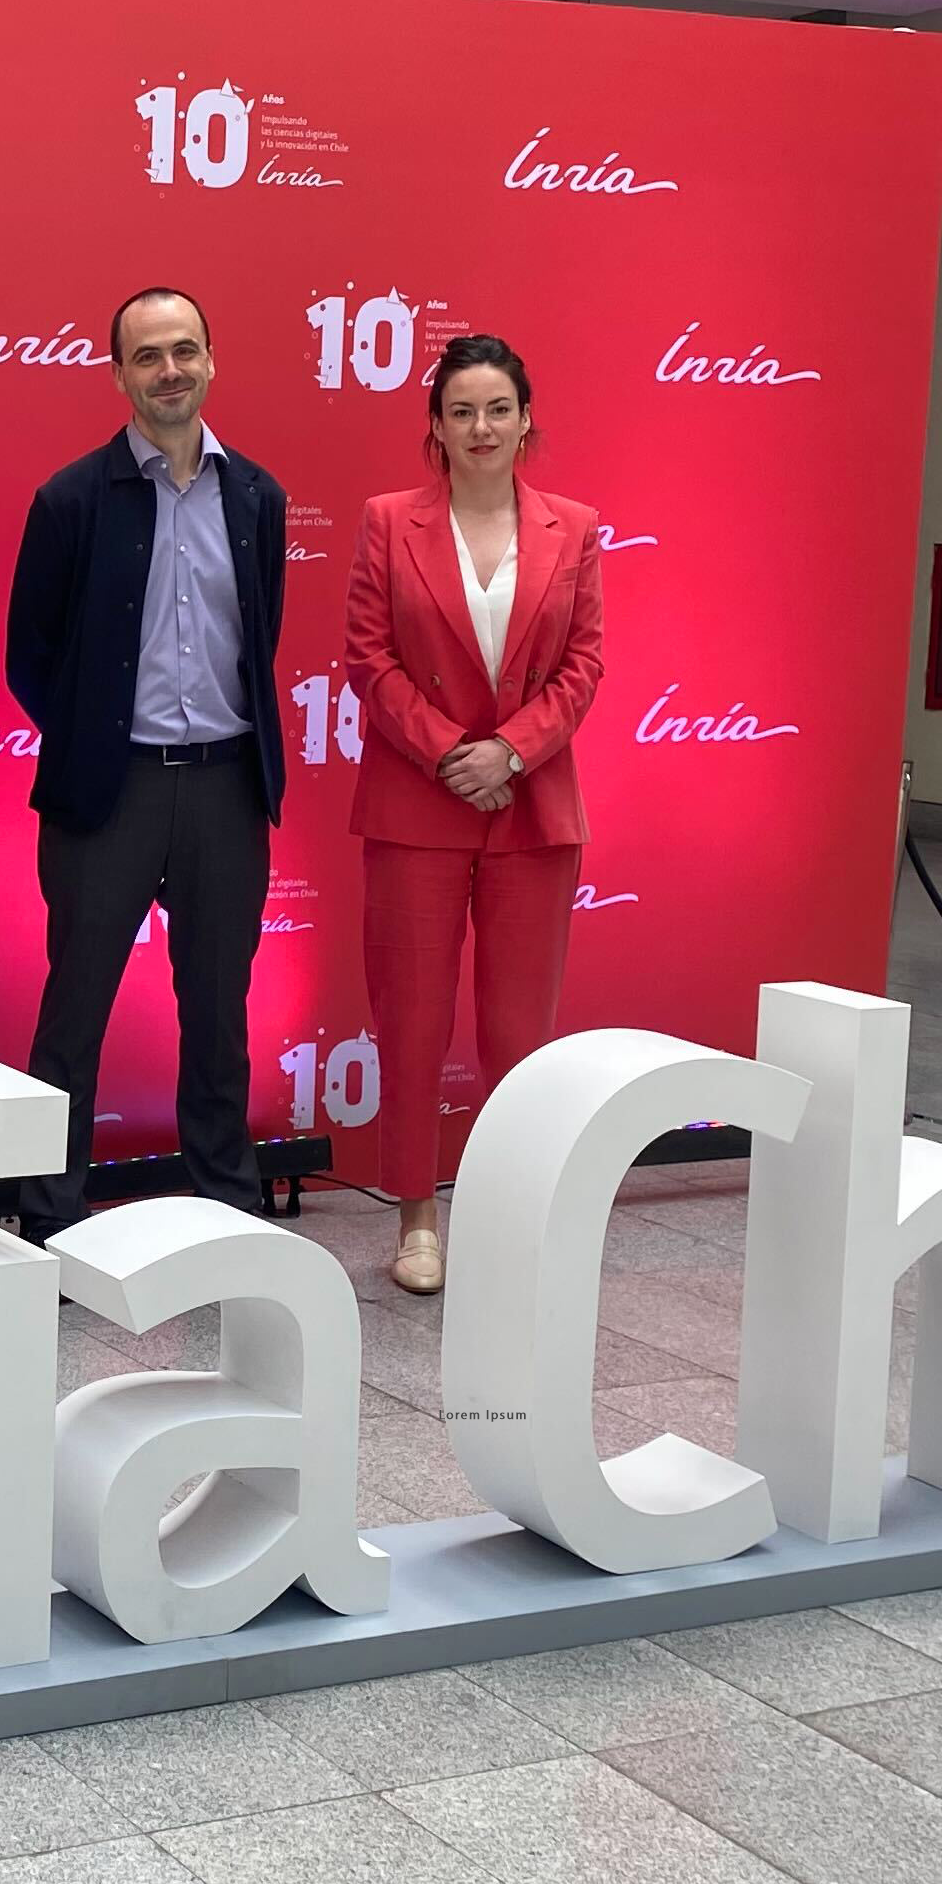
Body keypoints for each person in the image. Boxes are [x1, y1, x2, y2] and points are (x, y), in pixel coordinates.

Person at [0, 287, 288, 1237]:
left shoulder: (255, 495)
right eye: (147, 356)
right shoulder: (70, 498)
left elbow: (262, 632)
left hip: (223, 782)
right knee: (74, 1007)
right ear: (118, 373)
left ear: (211, 360)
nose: (169, 370)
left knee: (217, 1004)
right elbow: (31, 655)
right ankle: (45, 1216)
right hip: (108, 791)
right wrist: (94, 743)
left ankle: (227, 1207)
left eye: (185, 351)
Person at [343, 332, 604, 1295]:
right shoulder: (386, 522)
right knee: (411, 1021)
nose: (481, 427)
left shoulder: (572, 526)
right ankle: (416, 1220)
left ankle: (508, 1212)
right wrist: (454, 753)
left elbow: (584, 663)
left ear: (526, 418)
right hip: (420, 800)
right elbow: (368, 659)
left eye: (497, 408)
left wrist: (514, 750)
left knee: (517, 1032)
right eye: (461, 411)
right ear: (435, 427)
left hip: (531, 808)